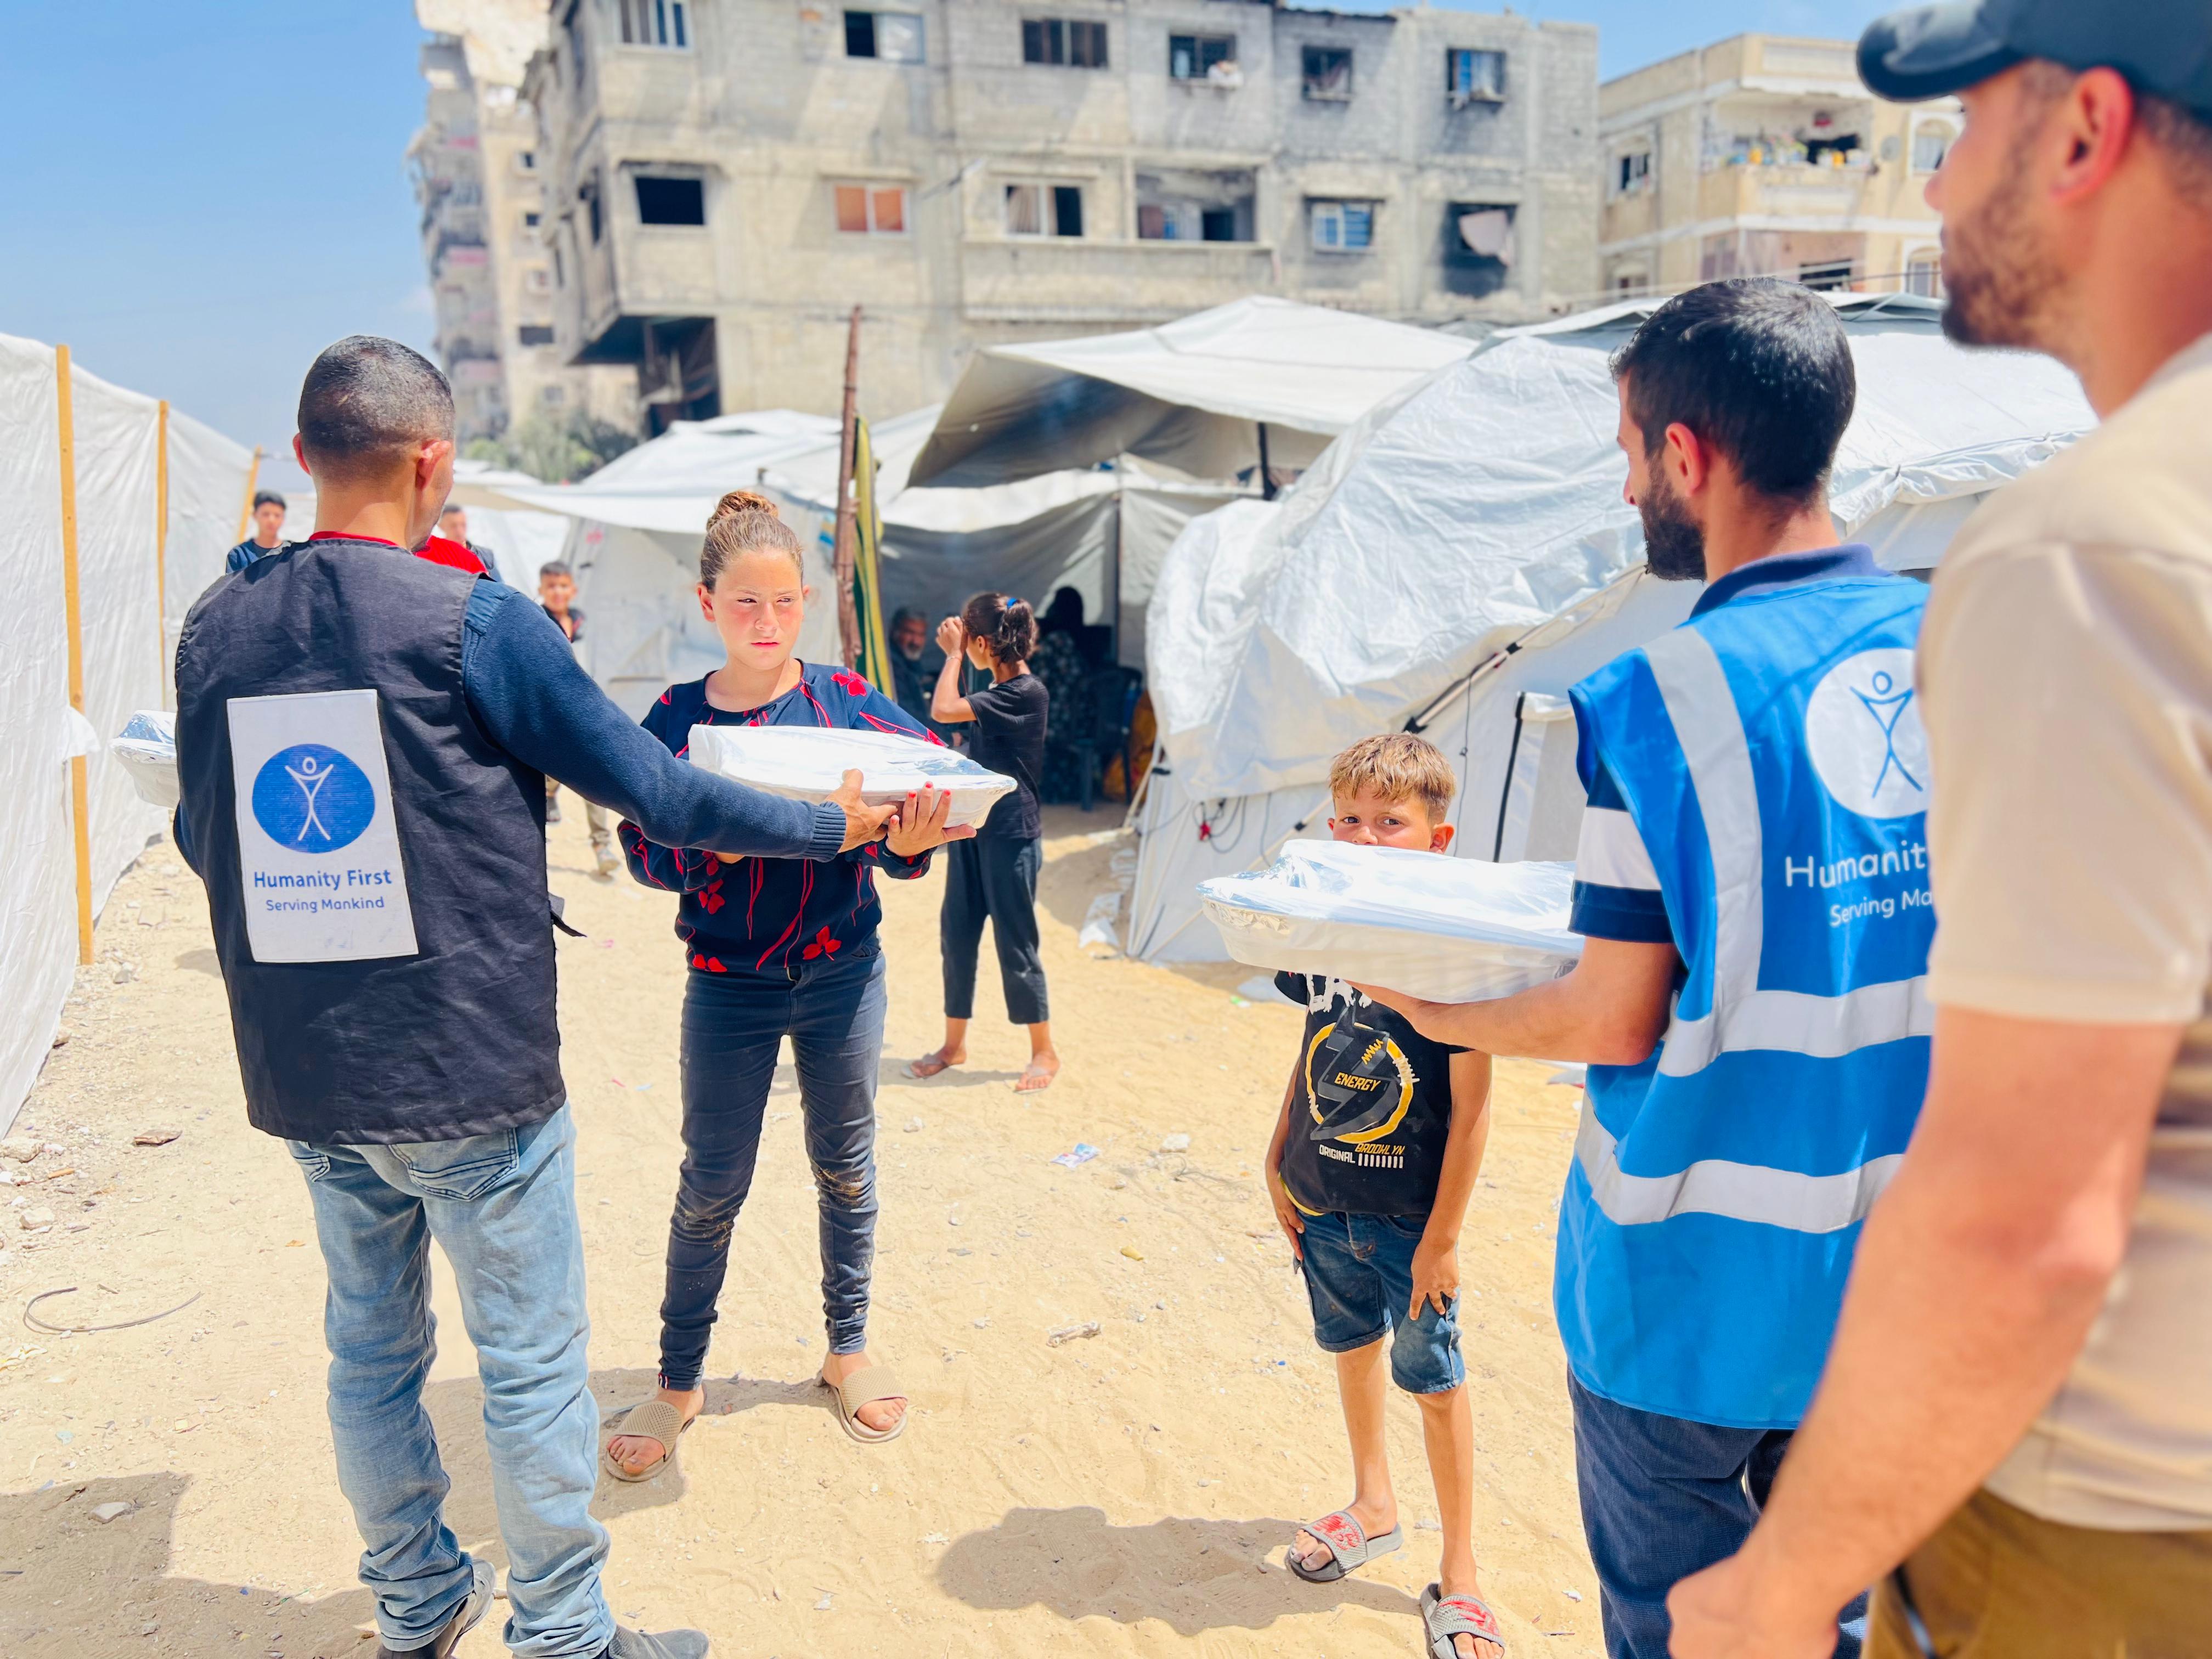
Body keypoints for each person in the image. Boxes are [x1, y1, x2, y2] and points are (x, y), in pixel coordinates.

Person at [172, 336, 903, 1659]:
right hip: (469, 1071)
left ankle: (416, 1604)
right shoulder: (476, 621)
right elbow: (661, 795)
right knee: (526, 1367)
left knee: (369, 1357)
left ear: (306, 457)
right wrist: (825, 825)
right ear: (434, 462)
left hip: (309, 1076)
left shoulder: (217, 626)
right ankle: (563, 1633)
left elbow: (199, 833)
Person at [1668, 11, 2212, 1657]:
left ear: (2084, 133)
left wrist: (1780, 1588)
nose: (1935, 183)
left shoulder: (2094, 551)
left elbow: (2021, 1214)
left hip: (2116, 1531)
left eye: (1965, 124)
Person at [1357, 280, 1932, 1659]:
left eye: (1628, 454)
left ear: (1688, 453)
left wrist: (1437, 1007)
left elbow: (1615, 1015)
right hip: (1902, 1293)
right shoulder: (1973, 652)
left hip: (1686, 1301)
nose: (1627, 491)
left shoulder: (1658, 702)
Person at [601, 490, 967, 1476]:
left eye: (785, 602)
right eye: (745, 603)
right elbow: (642, 849)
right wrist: (715, 841)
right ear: (706, 603)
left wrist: (911, 840)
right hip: (727, 982)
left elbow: (926, 785)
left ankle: (847, 1348)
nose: (767, 622)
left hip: (843, 969)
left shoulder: (843, 701)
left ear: (806, 601)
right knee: (711, 1182)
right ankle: (679, 1378)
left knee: (845, 1164)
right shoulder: (676, 719)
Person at [1265, 733, 1504, 1659]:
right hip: (1322, 1196)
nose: (1364, 838)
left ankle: (1462, 1569)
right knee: (1351, 1346)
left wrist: (1443, 1238)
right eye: (1350, 820)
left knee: (1434, 1381)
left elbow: (1475, 1108)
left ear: (1438, 839)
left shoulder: (1455, 953)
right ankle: (1373, 1502)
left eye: (1389, 822)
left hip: (1412, 1221)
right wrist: (1276, 1155)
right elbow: (1314, 1045)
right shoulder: (1323, 934)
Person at [908, 592, 1059, 1092]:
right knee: (957, 935)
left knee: (1016, 942)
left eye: (967, 640)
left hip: (1011, 836)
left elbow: (943, 707)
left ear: (980, 643)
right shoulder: (998, 691)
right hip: (975, 831)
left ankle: (1044, 1052)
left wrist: (952, 655)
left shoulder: (1025, 692)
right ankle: (954, 1045)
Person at [538, 559, 617, 876]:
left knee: (594, 778)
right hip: (551, 710)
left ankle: (602, 847)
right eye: (551, 586)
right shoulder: (536, 619)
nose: (558, 592)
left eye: (563, 586)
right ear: (542, 589)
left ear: (573, 589)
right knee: (553, 769)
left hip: (583, 708)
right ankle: (548, 795)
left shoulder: (581, 620)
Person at [437, 503, 504, 583]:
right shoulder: (435, 559)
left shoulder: (487, 555)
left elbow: (500, 586)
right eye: (453, 526)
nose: (459, 531)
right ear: (441, 526)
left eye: (463, 525)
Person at [224, 489, 287, 572]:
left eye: (277, 515)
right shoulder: (239, 554)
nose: (271, 520)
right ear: (255, 515)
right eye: (266, 514)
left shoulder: (293, 553)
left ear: (283, 518)